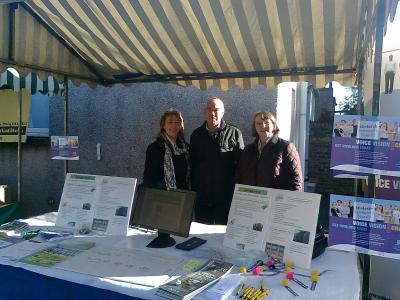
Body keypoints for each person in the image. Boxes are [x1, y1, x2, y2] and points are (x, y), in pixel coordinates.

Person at [190, 97, 244, 224]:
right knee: (200, 236)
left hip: (225, 198)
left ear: (223, 112)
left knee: (223, 236)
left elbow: (241, 167)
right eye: (209, 109)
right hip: (202, 197)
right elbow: (192, 165)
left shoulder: (235, 133)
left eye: (216, 110)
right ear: (204, 112)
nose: (212, 113)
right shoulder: (196, 135)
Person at [236, 111, 303, 191]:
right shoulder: (248, 150)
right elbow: (240, 175)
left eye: (267, 122)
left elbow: (295, 180)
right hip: (252, 199)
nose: (263, 126)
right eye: (259, 123)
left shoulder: (285, 147)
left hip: (275, 200)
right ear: (255, 127)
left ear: (273, 125)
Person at [143, 109, 190, 190]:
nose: (173, 126)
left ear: (180, 125)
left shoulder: (186, 148)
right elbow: (148, 178)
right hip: (162, 197)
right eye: (170, 122)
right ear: (164, 126)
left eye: (176, 123)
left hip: (183, 196)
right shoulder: (155, 148)